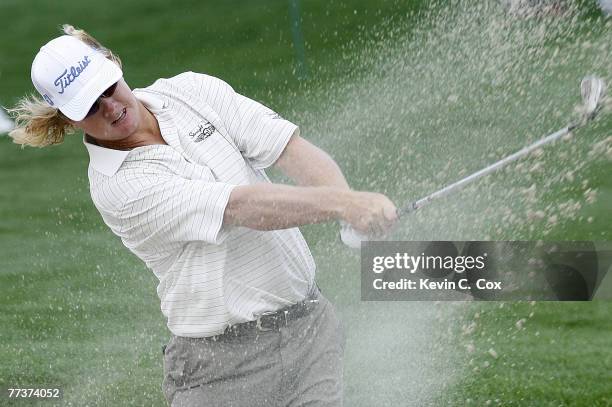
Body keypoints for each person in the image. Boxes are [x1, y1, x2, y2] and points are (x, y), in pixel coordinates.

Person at [8, 25, 397, 406]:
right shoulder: (117, 188)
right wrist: (346, 205)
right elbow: (240, 207)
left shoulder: (191, 91)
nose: (110, 107)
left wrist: (352, 208)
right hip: (218, 370)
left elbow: (288, 148)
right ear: (68, 120)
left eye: (107, 88)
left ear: (114, 65)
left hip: (310, 331)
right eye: (89, 107)